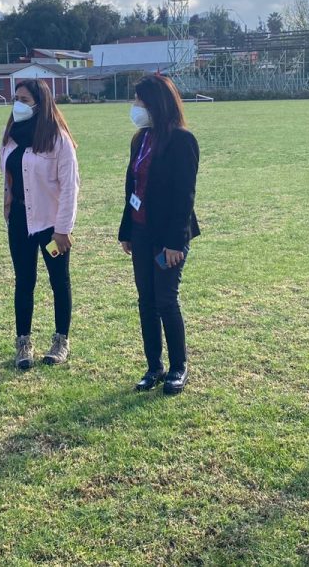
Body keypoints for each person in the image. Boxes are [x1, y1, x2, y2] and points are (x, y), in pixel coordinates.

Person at [118, 74, 200, 395]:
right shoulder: (140, 139)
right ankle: (154, 367)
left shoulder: (182, 141)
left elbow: (184, 196)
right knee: (146, 300)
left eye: (140, 100)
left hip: (168, 236)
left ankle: (179, 367)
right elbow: (132, 188)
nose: (136, 107)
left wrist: (175, 243)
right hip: (140, 232)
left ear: (157, 103)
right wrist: (126, 231)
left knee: (166, 300)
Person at [0, 79, 79, 369]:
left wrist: (63, 228)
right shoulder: (10, 135)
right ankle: (23, 342)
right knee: (24, 281)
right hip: (20, 220)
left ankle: (60, 341)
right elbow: (6, 169)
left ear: (40, 103)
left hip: (50, 224)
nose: (18, 104)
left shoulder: (57, 139)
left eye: (24, 99)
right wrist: (7, 198)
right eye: (16, 98)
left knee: (59, 281)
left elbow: (70, 186)